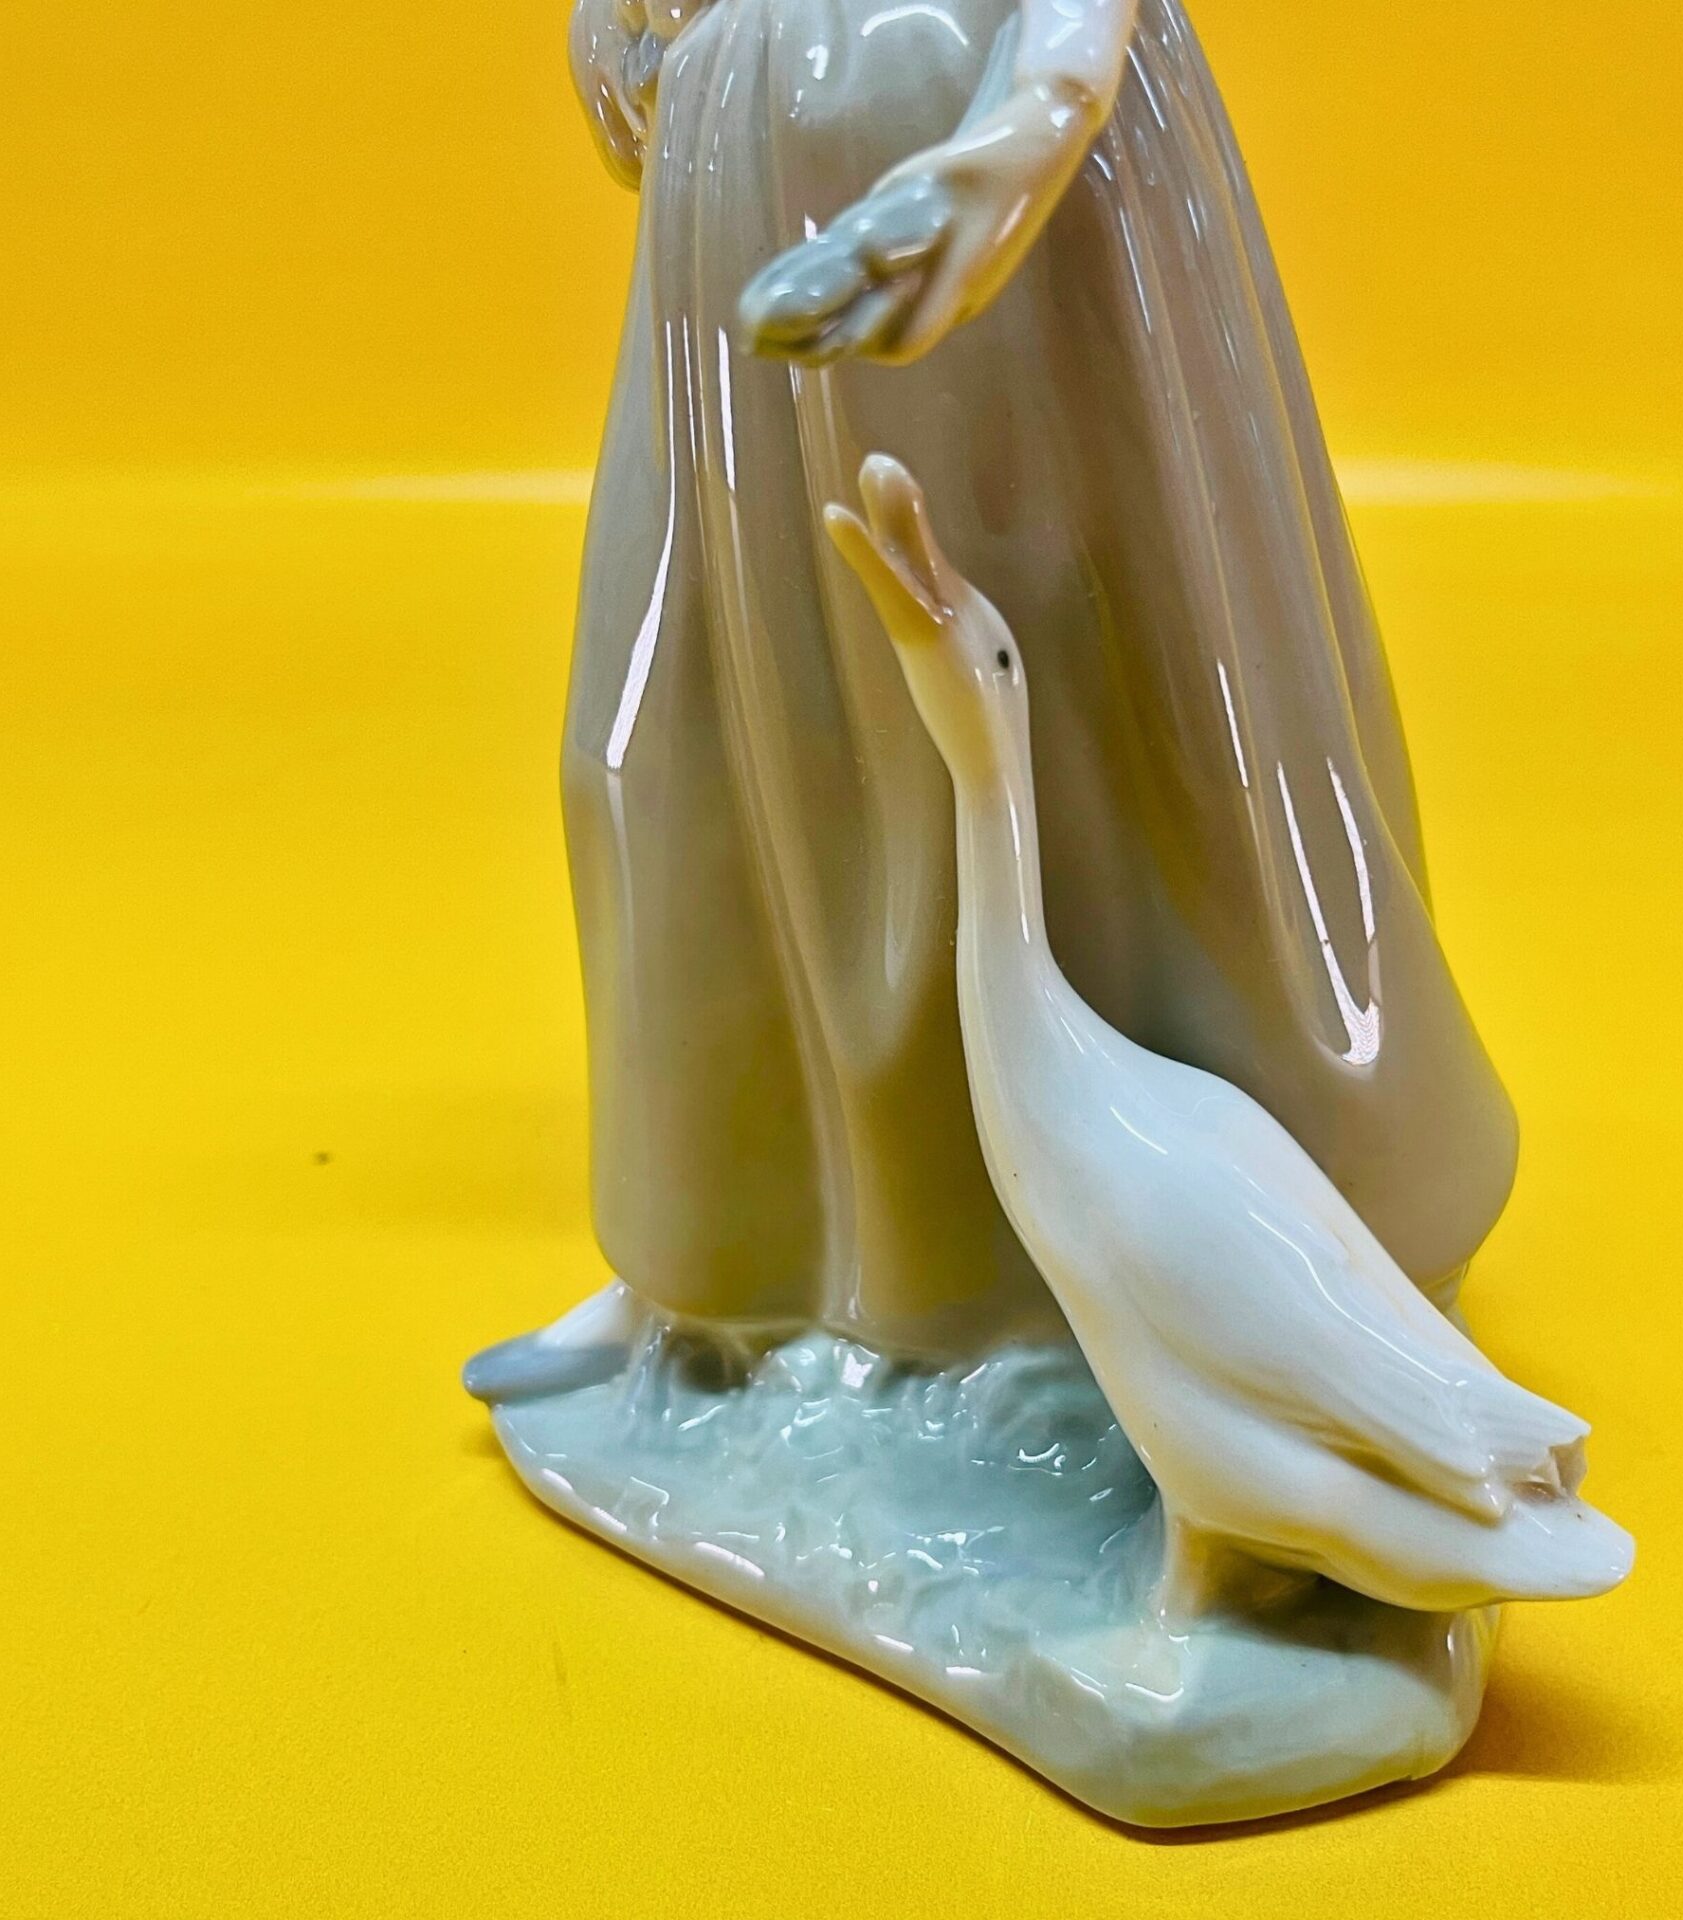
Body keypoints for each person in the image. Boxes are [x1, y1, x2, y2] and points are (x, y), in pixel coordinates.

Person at [542, 0, 1517, 1364]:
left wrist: (1032, 122)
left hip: (974, 117)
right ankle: (746, 1267)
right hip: (771, 149)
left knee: (1052, 697)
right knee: (689, 733)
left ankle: (1114, 1294)